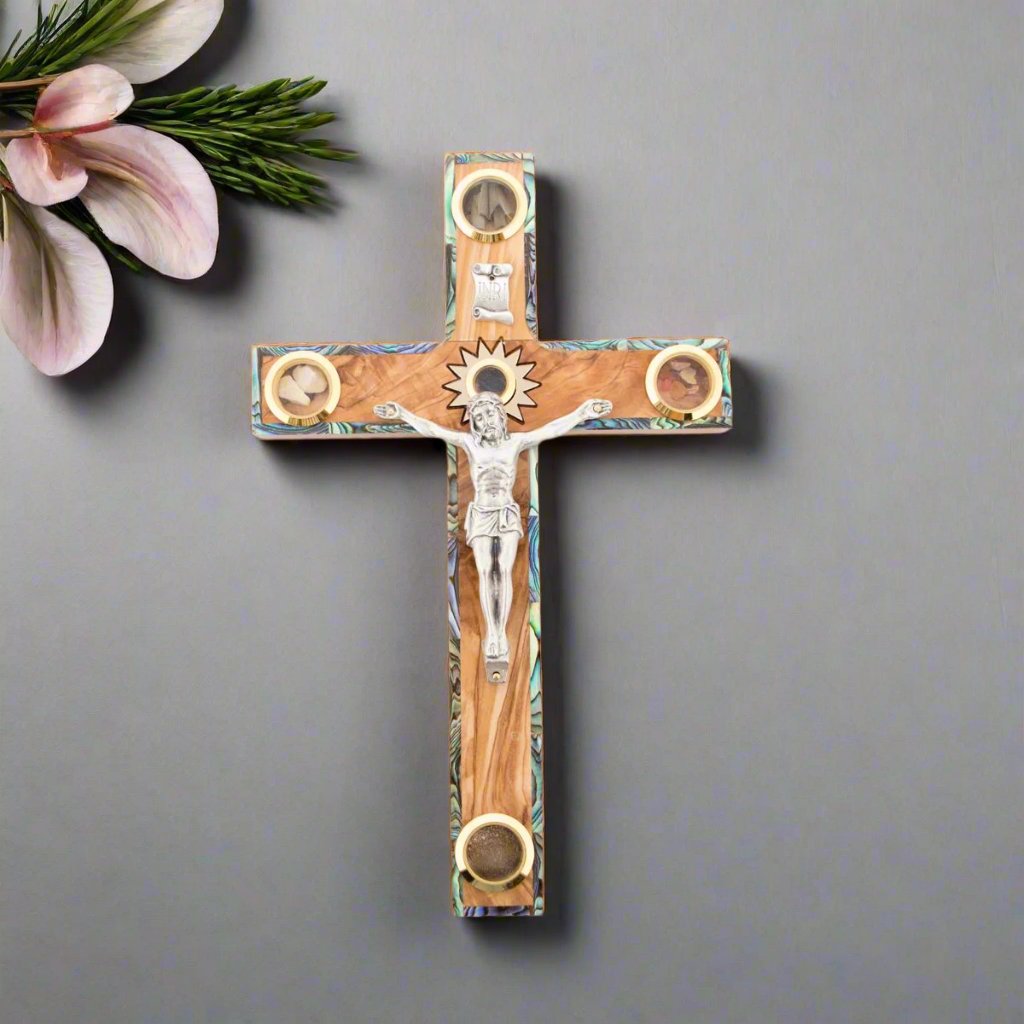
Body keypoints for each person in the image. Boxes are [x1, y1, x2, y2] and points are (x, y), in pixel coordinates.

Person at [373, 392, 612, 681]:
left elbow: (550, 430)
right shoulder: (471, 445)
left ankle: (501, 635)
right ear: (474, 423)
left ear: (501, 415)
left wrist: (582, 413)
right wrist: (402, 413)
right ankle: (493, 636)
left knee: (505, 572)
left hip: (507, 513)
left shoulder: (515, 442)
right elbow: (434, 430)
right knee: (487, 572)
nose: (486, 421)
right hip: (482, 513)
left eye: (489, 414)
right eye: (479, 417)